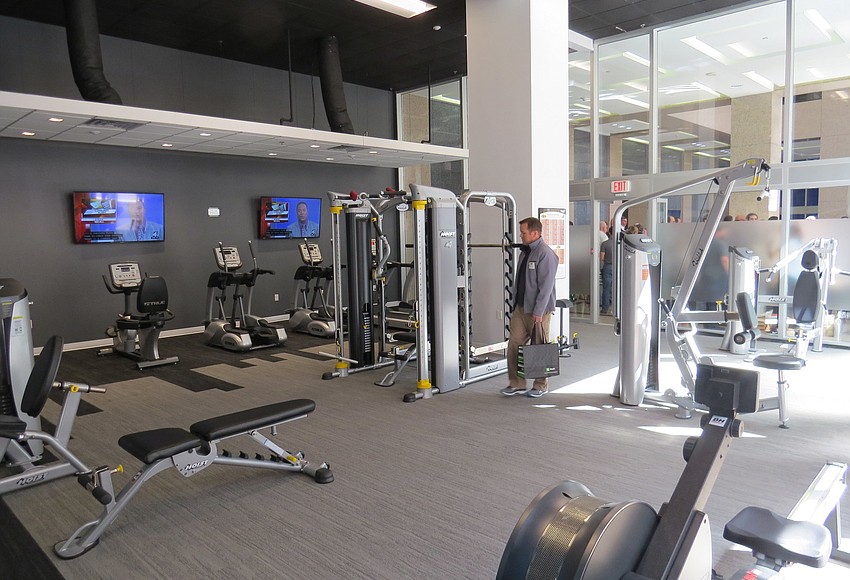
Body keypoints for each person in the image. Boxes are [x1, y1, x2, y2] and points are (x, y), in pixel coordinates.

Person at [501, 217, 559, 398]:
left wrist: (538, 311)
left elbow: (546, 287)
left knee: (539, 347)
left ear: (535, 233)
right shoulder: (525, 252)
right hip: (521, 308)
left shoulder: (546, 254)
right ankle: (517, 383)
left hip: (538, 310)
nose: (521, 235)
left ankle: (541, 385)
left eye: (523, 233)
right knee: (514, 345)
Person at [599, 229, 614, 315]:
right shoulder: (619, 244)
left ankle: (605, 308)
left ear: (609, 233)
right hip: (617, 267)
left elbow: (601, 257)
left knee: (606, 288)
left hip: (607, 267)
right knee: (617, 288)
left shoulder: (604, 244)